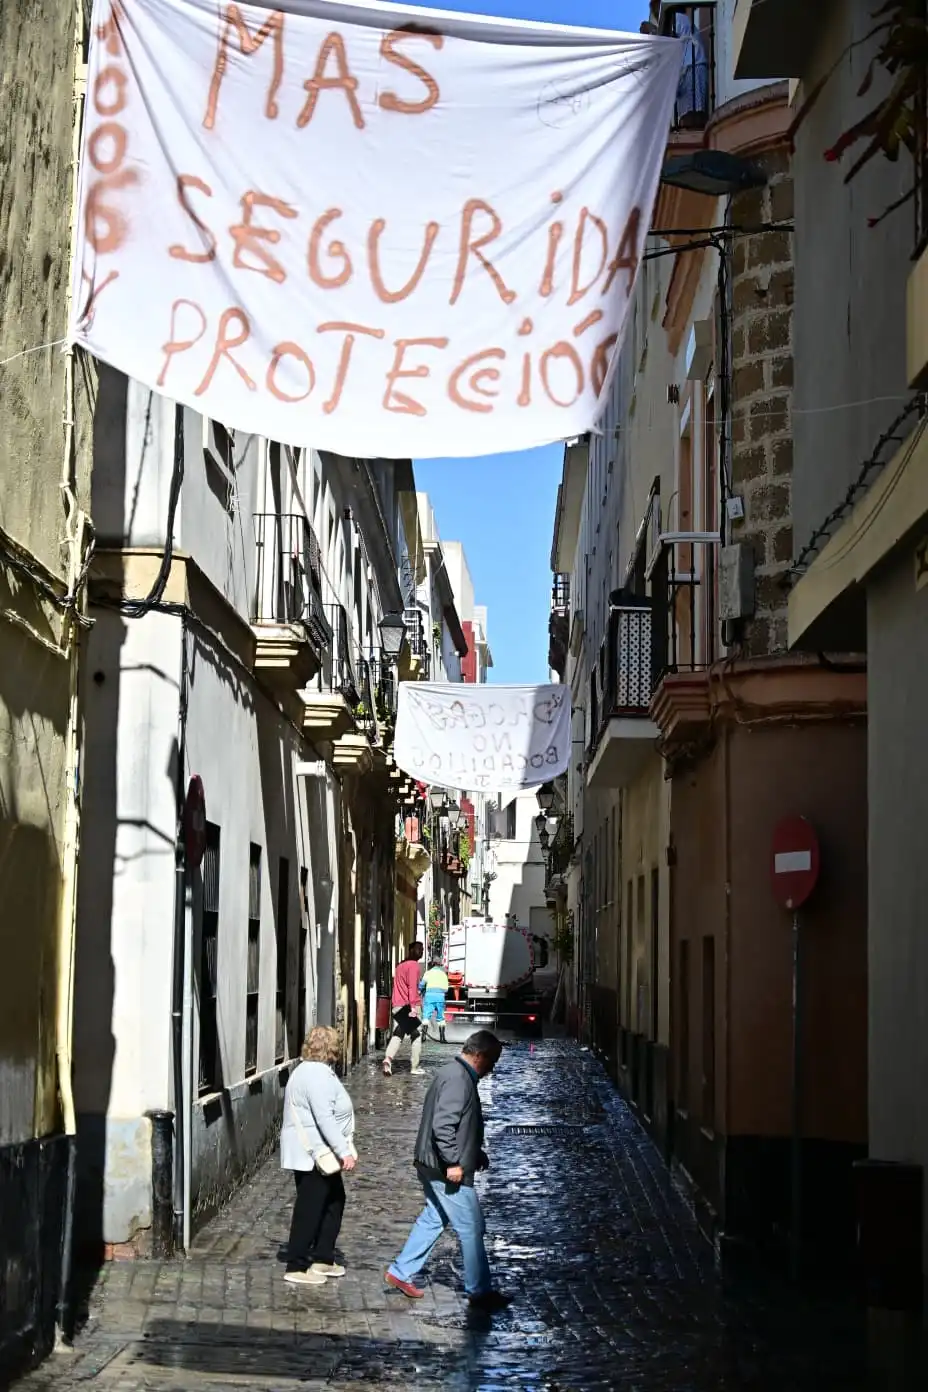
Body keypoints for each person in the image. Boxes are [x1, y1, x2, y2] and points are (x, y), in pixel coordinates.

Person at [385, 1030, 510, 1312]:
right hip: (444, 1169)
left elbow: (459, 1123)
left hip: (432, 1163)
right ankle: (480, 1291)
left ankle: (401, 1271)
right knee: (472, 1226)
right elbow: (443, 1125)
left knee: (435, 1217)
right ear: (480, 1056)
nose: (492, 1068)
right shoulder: (459, 1079)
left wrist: (474, 1152)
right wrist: (454, 1162)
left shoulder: (453, 1073)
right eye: (492, 1061)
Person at [280, 1025, 357, 1286]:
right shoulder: (316, 1075)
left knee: (334, 1200)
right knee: (310, 1207)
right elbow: (324, 1118)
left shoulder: (310, 1071)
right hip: (314, 1153)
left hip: (316, 1152)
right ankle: (297, 1264)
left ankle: (323, 1256)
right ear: (332, 1047)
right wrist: (344, 1152)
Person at [383, 941, 425, 1076]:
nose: (421, 951)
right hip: (409, 1006)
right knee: (416, 1035)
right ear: (411, 950)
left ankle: (388, 1059)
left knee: (399, 1032)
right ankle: (414, 1067)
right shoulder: (414, 966)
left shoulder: (400, 965)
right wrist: (413, 1008)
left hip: (397, 1005)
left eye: (422, 949)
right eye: (418, 949)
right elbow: (412, 988)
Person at [420, 957, 450, 1043]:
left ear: (432, 964)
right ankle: (442, 1038)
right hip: (440, 997)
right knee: (441, 1017)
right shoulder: (443, 974)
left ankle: (423, 1037)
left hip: (429, 997)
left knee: (426, 1015)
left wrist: (419, 989)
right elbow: (446, 989)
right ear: (440, 964)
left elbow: (422, 984)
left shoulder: (428, 973)